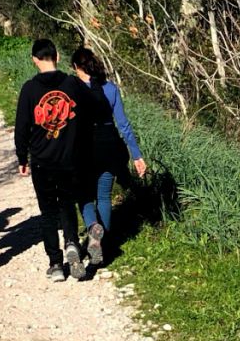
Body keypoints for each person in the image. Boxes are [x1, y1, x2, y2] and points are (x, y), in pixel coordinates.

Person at [14, 38, 102, 282]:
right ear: (58, 57)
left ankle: (55, 264)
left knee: (47, 211)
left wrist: (22, 156)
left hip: (42, 160)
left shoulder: (29, 89)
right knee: (66, 204)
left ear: (34, 60)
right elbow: (93, 108)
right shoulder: (72, 84)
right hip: (69, 158)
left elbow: (21, 127)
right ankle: (72, 243)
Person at [70, 47, 147, 266]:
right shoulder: (110, 88)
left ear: (76, 67)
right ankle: (103, 243)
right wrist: (136, 154)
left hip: (85, 147)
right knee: (103, 196)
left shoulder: (74, 90)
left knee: (84, 195)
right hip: (110, 145)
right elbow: (123, 124)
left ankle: (94, 228)